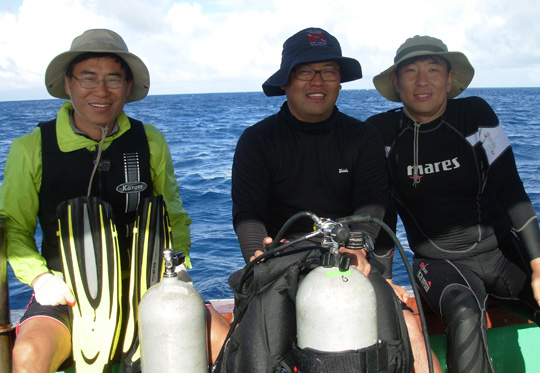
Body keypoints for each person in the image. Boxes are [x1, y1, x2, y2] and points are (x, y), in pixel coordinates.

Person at [0, 29, 228, 372]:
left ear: (127, 86)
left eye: (113, 79)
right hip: (67, 293)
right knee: (30, 354)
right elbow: (14, 229)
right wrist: (39, 278)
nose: (101, 91)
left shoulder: (150, 141)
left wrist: (179, 268)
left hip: (147, 284)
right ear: (68, 84)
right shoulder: (30, 148)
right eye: (88, 78)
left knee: (224, 341)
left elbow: (174, 216)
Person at [230, 27, 412, 372]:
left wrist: (358, 245)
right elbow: (248, 211)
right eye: (305, 72)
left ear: (339, 83)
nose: (318, 82)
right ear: (286, 81)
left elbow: (373, 200)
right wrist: (256, 253)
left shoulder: (362, 136)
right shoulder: (257, 140)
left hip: (347, 255)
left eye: (329, 72)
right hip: (279, 257)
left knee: (406, 331)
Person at [368, 35, 540, 372]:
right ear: (395, 81)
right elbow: (382, 213)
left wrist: (538, 265)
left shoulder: (474, 114)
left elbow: (511, 188)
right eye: (411, 71)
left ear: (449, 79)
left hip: (502, 253)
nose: (422, 81)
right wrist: (383, 279)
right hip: (440, 263)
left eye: (433, 69)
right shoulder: (381, 132)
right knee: (463, 311)